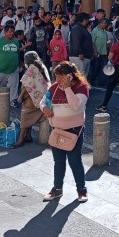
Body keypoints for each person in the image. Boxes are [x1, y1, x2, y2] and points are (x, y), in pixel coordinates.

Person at [41, 62, 89, 203]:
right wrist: (44, 108)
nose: (57, 80)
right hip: (57, 130)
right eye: (55, 77)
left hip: (74, 131)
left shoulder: (81, 87)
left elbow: (76, 106)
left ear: (69, 76)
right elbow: (44, 101)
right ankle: (57, 188)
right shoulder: (54, 87)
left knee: (75, 161)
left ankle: (82, 190)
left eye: (59, 77)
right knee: (58, 161)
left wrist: (68, 88)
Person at [14, 51, 50, 148]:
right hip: (43, 98)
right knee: (30, 116)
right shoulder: (42, 66)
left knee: (25, 116)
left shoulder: (31, 68)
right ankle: (28, 136)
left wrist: (20, 97)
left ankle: (20, 139)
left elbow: (26, 85)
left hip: (33, 98)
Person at [0, 23, 20, 106]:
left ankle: (13, 100)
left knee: (13, 86)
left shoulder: (16, 41)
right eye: (10, 32)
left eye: (13, 32)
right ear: (5, 32)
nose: (12, 33)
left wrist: (19, 63)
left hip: (13, 69)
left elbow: (18, 52)